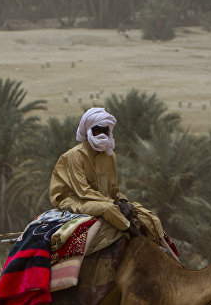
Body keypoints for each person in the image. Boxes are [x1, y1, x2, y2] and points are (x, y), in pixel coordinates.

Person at [49, 107, 177, 258]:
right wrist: (115, 204)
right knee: (108, 209)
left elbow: (113, 189)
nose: (101, 135)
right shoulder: (73, 156)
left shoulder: (109, 156)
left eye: (105, 131)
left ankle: (169, 255)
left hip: (103, 199)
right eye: (97, 131)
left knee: (145, 214)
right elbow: (83, 191)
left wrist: (122, 201)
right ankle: (140, 241)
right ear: (89, 131)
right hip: (76, 199)